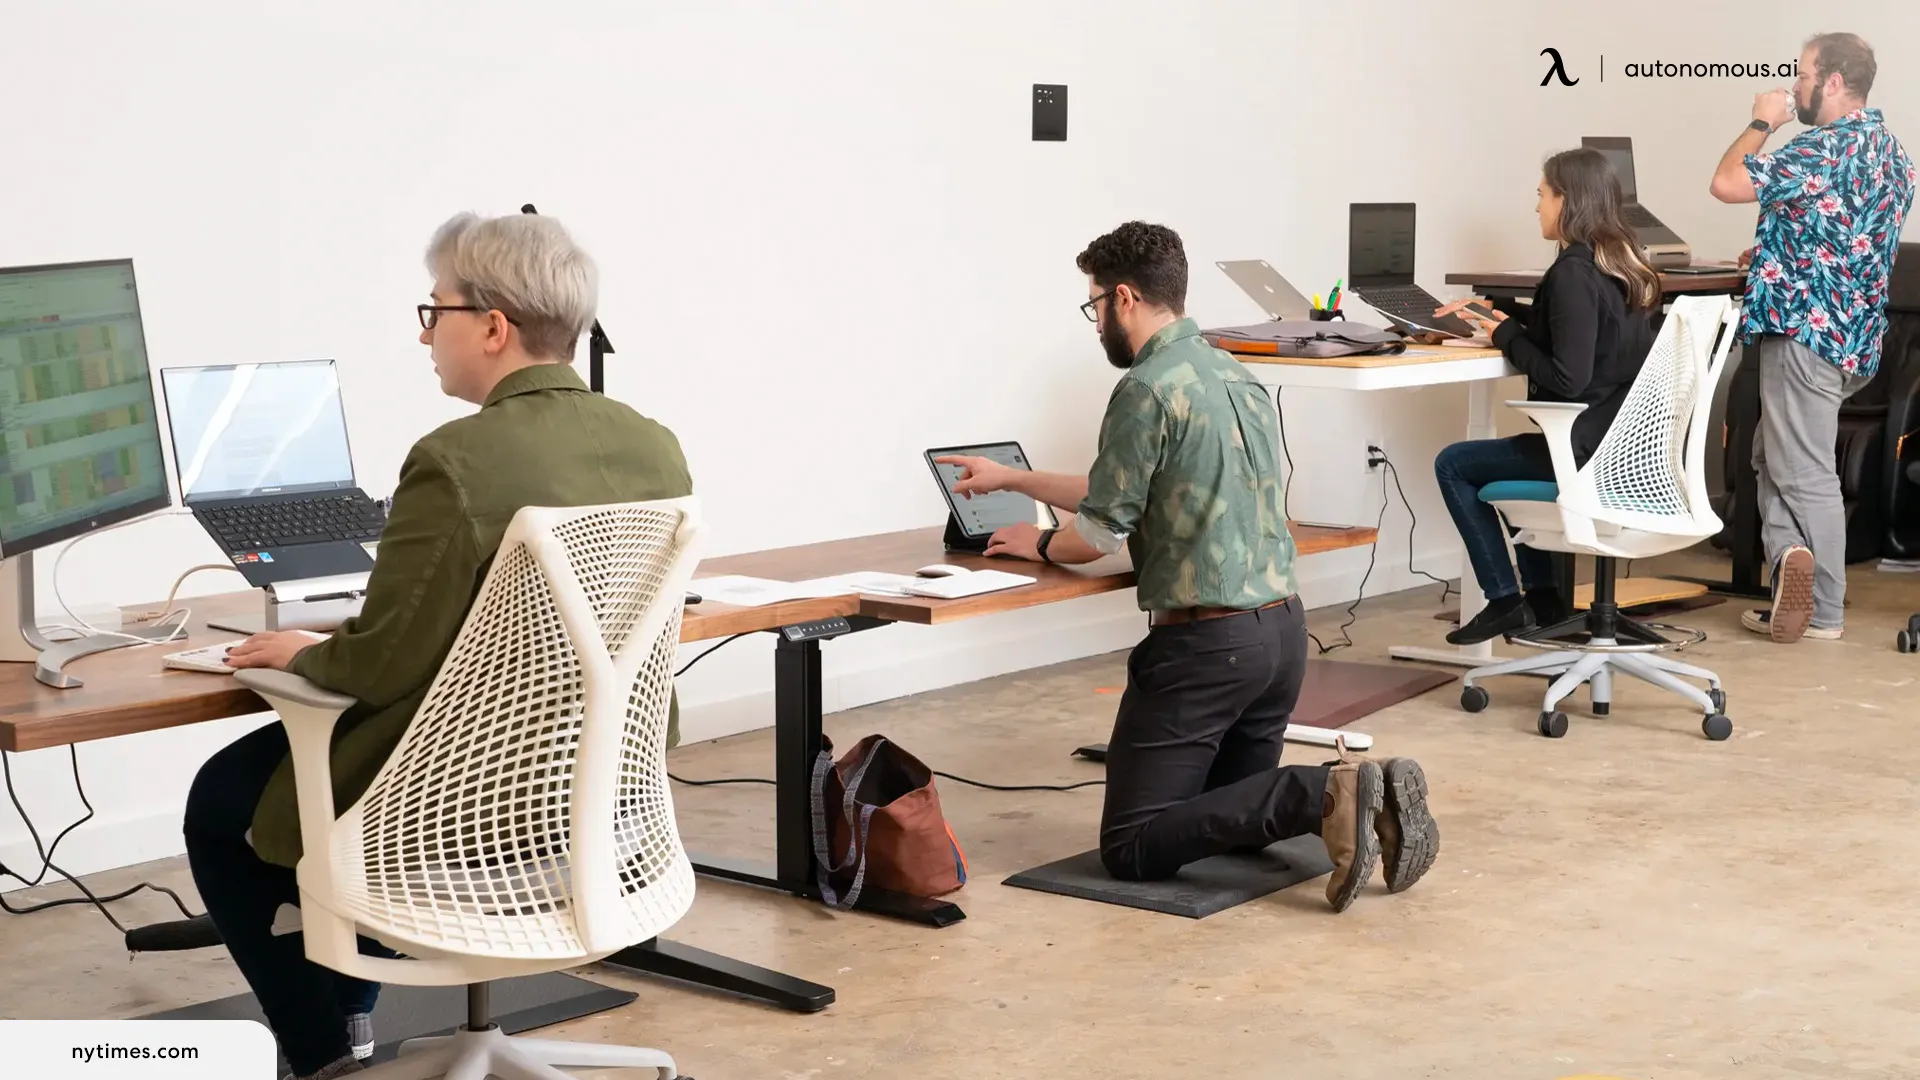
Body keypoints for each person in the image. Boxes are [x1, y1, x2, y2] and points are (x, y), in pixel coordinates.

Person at [184, 212, 693, 1080]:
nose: (426, 336)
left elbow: (380, 664)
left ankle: (327, 1052)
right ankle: (346, 1022)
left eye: (436, 311)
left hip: (458, 811)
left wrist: (308, 652)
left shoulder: (455, 460)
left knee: (223, 802)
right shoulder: (655, 445)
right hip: (587, 794)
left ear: (493, 327)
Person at [935, 221, 1437, 913]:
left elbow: (1099, 536)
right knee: (1225, 824)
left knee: (1135, 845)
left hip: (1205, 652)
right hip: (1281, 639)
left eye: (1095, 307)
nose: (1097, 323)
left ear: (1124, 298)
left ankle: (1327, 790)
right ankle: (1357, 796)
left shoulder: (1144, 389)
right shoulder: (1232, 370)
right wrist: (1014, 481)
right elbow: (1134, 484)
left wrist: (1042, 545)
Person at [1708, 31, 1914, 643]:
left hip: (1805, 332)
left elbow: (1725, 183)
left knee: (1804, 472)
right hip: (1853, 334)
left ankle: (1821, 607)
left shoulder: (1820, 146)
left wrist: (1760, 123)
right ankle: (1791, 562)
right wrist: (1775, 246)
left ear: (1830, 81)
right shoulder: (1889, 150)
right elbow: (1848, 229)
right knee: (1768, 456)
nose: (1792, 88)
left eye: (1800, 76)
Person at [1429, 148, 1662, 645]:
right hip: (1622, 452)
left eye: (1542, 195)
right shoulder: (1623, 267)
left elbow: (1566, 376)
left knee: (1454, 463)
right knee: (1510, 461)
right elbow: (1573, 330)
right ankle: (1546, 602)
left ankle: (1505, 600)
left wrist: (1502, 335)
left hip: (1583, 456)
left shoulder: (1572, 273)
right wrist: (1495, 311)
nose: (1536, 207)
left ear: (1567, 201)